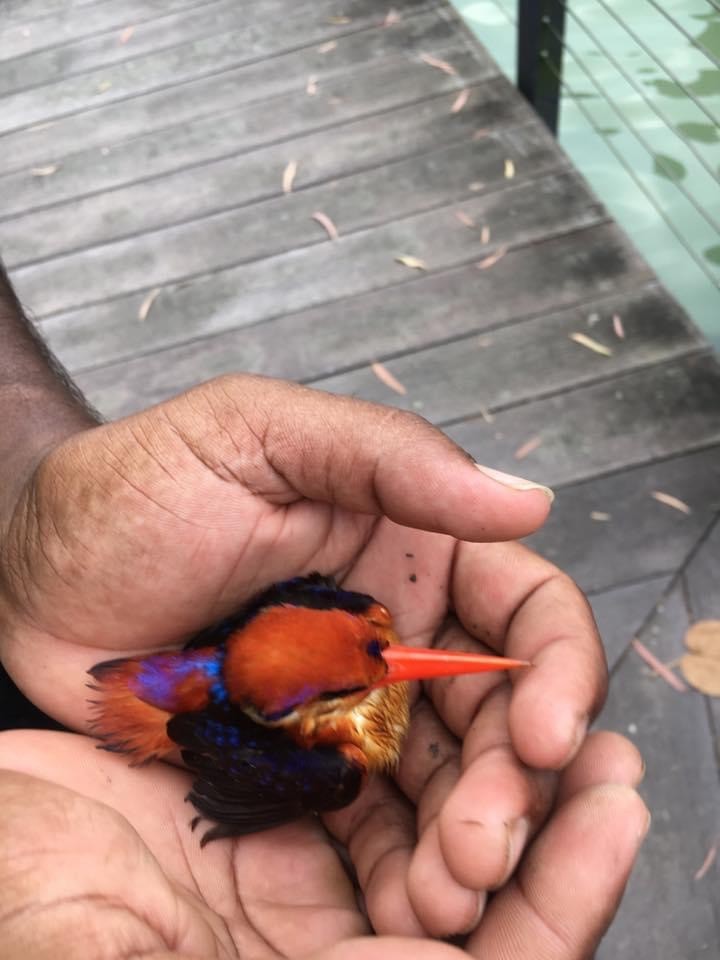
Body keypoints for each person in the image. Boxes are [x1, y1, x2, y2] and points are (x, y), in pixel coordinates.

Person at [0, 261, 648, 959]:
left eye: (370, 639)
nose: (388, 650)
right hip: (135, 709)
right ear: (296, 718)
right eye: (361, 673)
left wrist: (25, 505)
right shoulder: (324, 764)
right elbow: (233, 767)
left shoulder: (343, 615)